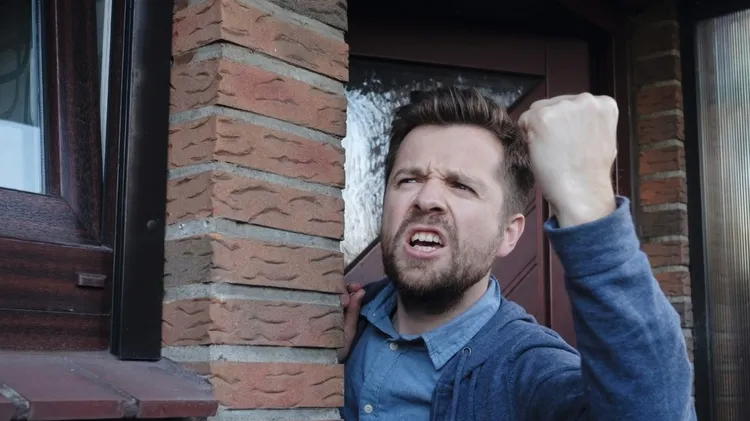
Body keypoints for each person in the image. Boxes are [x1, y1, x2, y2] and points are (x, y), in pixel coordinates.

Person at [338, 87, 695, 421]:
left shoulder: (529, 368)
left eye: (461, 186)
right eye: (409, 180)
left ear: (508, 234)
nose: (427, 198)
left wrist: (589, 202)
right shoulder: (344, 318)